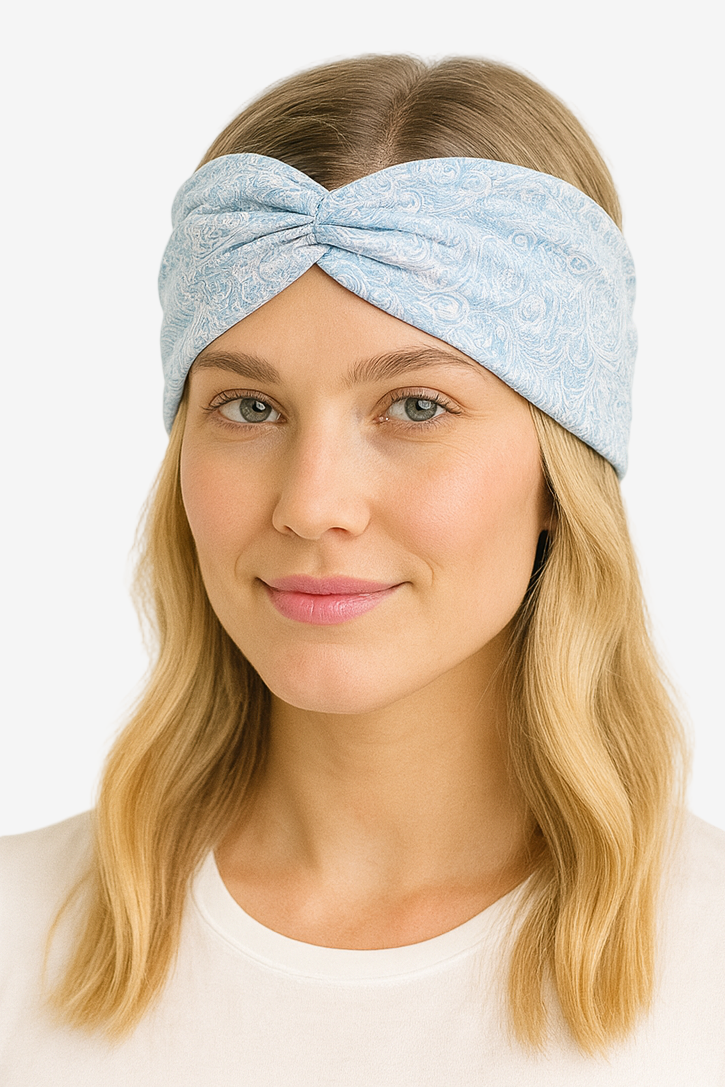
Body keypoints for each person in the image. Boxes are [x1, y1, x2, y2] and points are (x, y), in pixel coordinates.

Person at [1, 53, 723, 1085]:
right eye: (248, 408)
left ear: (562, 472)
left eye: (414, 407)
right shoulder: (17, 935)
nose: (309, 503)